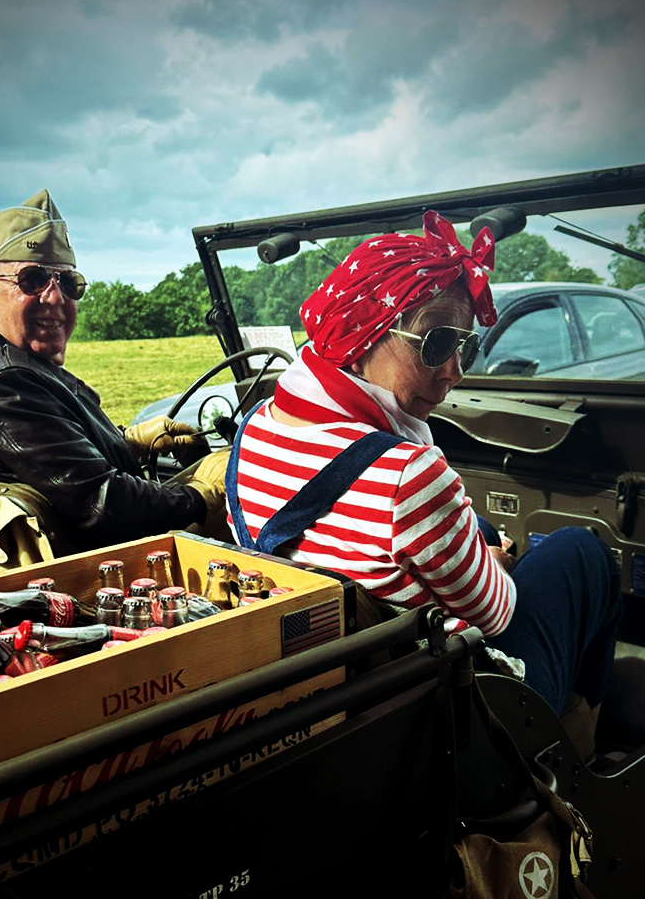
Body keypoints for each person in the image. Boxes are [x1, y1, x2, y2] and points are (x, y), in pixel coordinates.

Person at [226, 211, 622, 718]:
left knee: (476, 528)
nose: (454, 372)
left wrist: (474, 548)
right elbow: (497, 614)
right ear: (361, 335)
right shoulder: (408, 474)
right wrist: (497, 567)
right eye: (436, 343)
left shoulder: (255, 426)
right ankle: (577, 737)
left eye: (465, 346)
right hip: (453, 710)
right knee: (582, 551)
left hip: (357, 681)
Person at [0, 189, 227, 548]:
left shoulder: (14, 367)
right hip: (101, 565)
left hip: (98, 550)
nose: (55, 297)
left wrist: (129, 442)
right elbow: (103, 505)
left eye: (69, 283)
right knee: (241, 486)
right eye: (32, 279)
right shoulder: (5, 385)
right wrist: (202, 494)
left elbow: (58, 466)